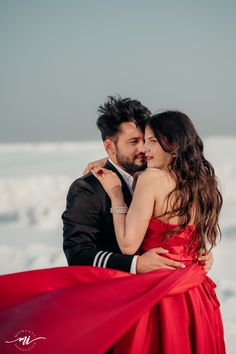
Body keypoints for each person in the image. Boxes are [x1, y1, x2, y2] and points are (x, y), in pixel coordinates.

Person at [91, 110, 225, 353]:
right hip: (197, 293)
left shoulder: (152, 179)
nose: (145, 149)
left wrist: (116, 195)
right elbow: (189, 238)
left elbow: (128, 246)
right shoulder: (202, 180)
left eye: (153, 141)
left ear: (172, 143)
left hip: (162, 294)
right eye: (143, 141)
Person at [62, 95, 213, 273]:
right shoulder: (88, 189)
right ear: (110, 146)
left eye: (149, 140)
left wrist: (196, 254)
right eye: (134, 142)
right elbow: (77, 255)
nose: (143, 148)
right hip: (115, 293)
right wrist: (135, 264)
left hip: (165, 285)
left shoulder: (162, 177)